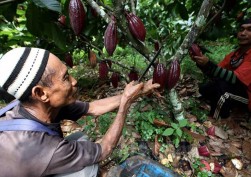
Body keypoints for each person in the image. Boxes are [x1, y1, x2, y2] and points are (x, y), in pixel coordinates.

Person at [0, 47, 160, 177]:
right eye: (65, 78)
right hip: (33, 160)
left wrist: (137, 91)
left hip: (33, 164)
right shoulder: (40, 147)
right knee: (86, 170)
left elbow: (93, 108)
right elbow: (104, 150)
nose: (74, 81)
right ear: (41, 93)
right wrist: (125, 105)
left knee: (80, 138)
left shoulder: (33, 106)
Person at [190, 16, 251, 119]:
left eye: (250, 29)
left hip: (250, 96)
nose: (243, 33)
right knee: (205, 88)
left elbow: (236, 79)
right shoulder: (235, 54)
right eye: (241, 29)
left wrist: (208, 64)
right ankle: (225, 105)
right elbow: (216, 73)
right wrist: (201, 63)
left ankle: (215, 120)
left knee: (224, 94)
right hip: (233, 87)